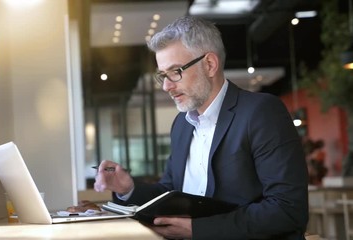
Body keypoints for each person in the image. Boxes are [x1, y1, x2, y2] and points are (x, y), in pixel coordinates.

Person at [94, 16, 309, 240]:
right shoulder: (181, 125)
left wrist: (198, 230)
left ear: (209, 64)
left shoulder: (261, 112)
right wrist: (128, 188)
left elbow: (288, 210)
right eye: (162, 76)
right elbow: (171, 191)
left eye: (175, 71)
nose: (166, 86)